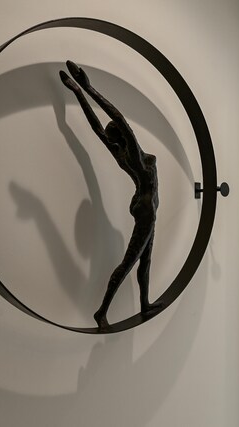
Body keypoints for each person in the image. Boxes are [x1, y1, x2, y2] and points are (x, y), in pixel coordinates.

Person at [60, 60, 161, 329]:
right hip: (146, 209)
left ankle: (145, 303)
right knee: (130, 263)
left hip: (143, 205)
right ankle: (102, 312)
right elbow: (117, 117)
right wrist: (88, 88)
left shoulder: (121, 154)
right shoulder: (136, 156)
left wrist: (78, 93)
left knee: (145, 260)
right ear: (125, 137)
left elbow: (96, 127)